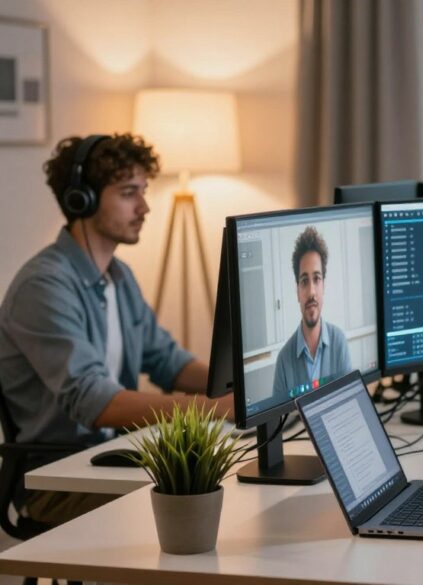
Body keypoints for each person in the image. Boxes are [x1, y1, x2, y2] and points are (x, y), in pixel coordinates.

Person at [0, 134, 232, 527]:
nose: (144, 207)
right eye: (129, 193)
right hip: (57, 482)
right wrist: (211, 410)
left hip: (113, 459)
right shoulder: (44, 287)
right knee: (200, 510)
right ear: (82, 200)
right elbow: (95, 402)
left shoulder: (119, 278)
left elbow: (168, 362)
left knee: (222, 488)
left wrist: (249, 385)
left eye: (143, 191)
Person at [272, 226, 352, 398]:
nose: (311, 292)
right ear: (297, 291)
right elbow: (276, 424)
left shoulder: (339, 343)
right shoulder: (284, 359)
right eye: (304, 281)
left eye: (317, 279)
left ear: (324, 285)